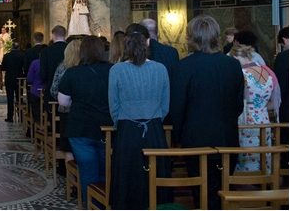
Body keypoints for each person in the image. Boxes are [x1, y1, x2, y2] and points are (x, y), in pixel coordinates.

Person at [170, 16, 245, 209]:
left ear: (191, 37)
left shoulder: (182, 66)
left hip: (195, 140)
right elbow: (239, 105)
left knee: (200, 192)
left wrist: (178, 137)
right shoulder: (233, 65)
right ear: (216, 36)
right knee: (222, 190)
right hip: (226, 138)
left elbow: (177, 108)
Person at [108, 23, 171, 209]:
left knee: (128, 180)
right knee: (156, 177)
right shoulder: (161, 69)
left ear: (125, 44)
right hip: (154, 130)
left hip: (127, 131)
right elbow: (165, 106)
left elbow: (114, 106)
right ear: (149, 42)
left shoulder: (116, 70)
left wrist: (123, 121)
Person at [58, 35, 114, 206]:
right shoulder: (114, 70)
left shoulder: (72, 72)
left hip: (80, 129)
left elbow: (63, 102)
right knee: (107, 170)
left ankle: (91, 205)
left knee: (88, 171)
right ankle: (105, 204)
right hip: (108, 129)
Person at [229, 43, 279, 172]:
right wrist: (260, 108)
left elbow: (235, 100)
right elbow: (275, 103)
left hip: (246, 119)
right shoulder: (268, 72)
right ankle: (264, 180)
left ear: (235, 58)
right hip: (263, 119)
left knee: (246, 154)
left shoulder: (242, 73)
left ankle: (244, 183)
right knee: (262, 152)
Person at [51, 38, 82, 164]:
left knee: (68, 145)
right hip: (83, 111)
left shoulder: (62, 68)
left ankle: (68, 175)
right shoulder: (87, 69)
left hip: (66, 111)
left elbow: (54, 90)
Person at [39, 25, 67, 109]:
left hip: (51, 92)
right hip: (69, 93)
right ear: (65, 36)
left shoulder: (45, 52)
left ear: (52, 35)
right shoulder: (70, 50)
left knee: (52, 118)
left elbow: (43, 75)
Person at [1, 43, 25, 122]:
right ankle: (20, 116)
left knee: (10, 98)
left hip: (9, 79)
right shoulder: (22, 56)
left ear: (11, 47)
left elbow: (3, 68)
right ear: (18, 48)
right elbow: (24, 67)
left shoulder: (7, 56)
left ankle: (10, 116)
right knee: (19, 98)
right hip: (19, 79)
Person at [273, 27, 289, 125]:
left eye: (282, 45)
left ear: (285, 40)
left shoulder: (283, 57)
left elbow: (279, 83)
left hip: (285, 104)